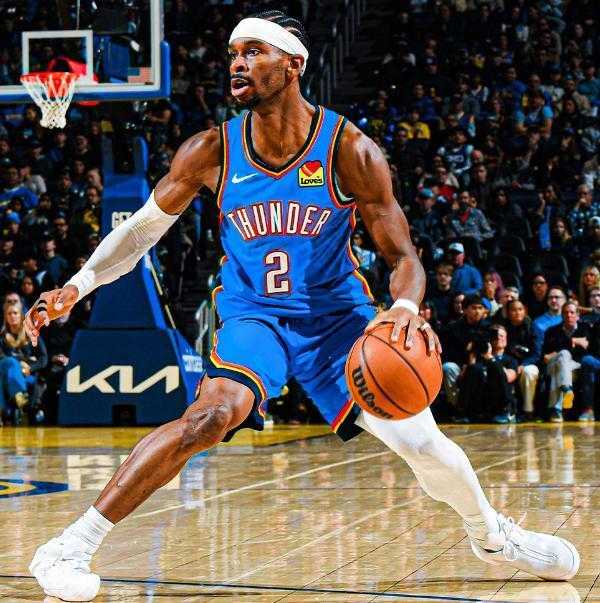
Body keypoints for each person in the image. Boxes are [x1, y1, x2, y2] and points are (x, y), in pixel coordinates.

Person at [25, 11, 579, 601]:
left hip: (338, 321)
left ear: (293, 64)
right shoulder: (211, 150)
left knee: (422, 445)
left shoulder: (350, 149)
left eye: (254, 52)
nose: (238, 64)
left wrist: (404, 306)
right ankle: (69, 547)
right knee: (208, 418)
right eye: (234, 53)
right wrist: (77, 285)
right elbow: (140, 231)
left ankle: (491, 536)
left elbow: (404, 257)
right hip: (253, 315)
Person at [0, 301, 47, 424]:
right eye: (9, 313)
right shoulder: (2, 337)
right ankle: (20, 396)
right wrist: (21, 362)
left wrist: (30, 368)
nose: (12, 316)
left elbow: (44, 359)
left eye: (15, 313)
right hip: (8, 371)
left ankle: (4, 410)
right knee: (10, 362)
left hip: (27, 374)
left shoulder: (31, 334)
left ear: (21, 315)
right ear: (6, 317)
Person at [542, 302, 589, 423]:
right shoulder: (551, 331)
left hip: (575, 367)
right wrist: (573, 341)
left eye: (572, 312)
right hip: (553, 365)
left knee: (560, 366)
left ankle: (556, 410)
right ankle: (567, 389)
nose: (569, 315)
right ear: (562, 315)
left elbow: (587, 348)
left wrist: (558, 350)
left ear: (578, 315)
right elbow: (545, 357)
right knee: (563, 355)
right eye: (566, 312)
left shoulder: (585, 329)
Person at [497, 300, 540, 420]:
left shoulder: (533, 328)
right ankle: (504, 410)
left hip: (528, 364)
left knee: (528, 371)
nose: (517, 312)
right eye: (513, 310)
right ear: (507, 312)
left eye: (520, 309)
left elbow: (537, 354)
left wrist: (523, 364)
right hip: (509, 363)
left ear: (525, 311)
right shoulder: (503, 328)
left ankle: (528, 410)